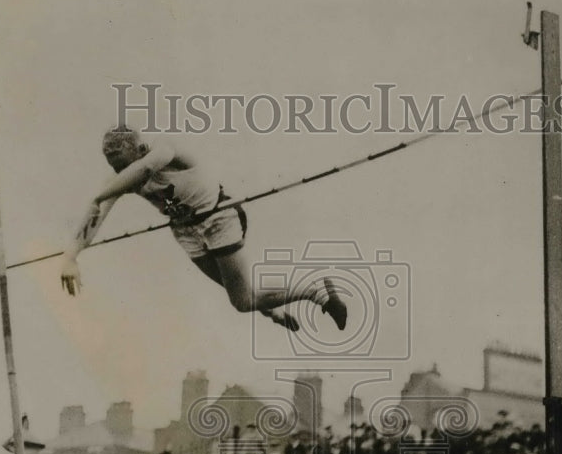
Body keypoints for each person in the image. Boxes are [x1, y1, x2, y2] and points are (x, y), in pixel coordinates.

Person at [59, 126, 349, 333]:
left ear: (140, 149)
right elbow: (96, 213)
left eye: (122, 166)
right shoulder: (119, 177)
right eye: (113, 168)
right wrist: (70, 256)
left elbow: (144, 170)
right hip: (186, 232)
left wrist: (102, 194)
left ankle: (317, 292)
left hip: (217, 217)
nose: (119, 174)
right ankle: (273, 310)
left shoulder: (164, 150)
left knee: (242, 300)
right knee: (238, 293)